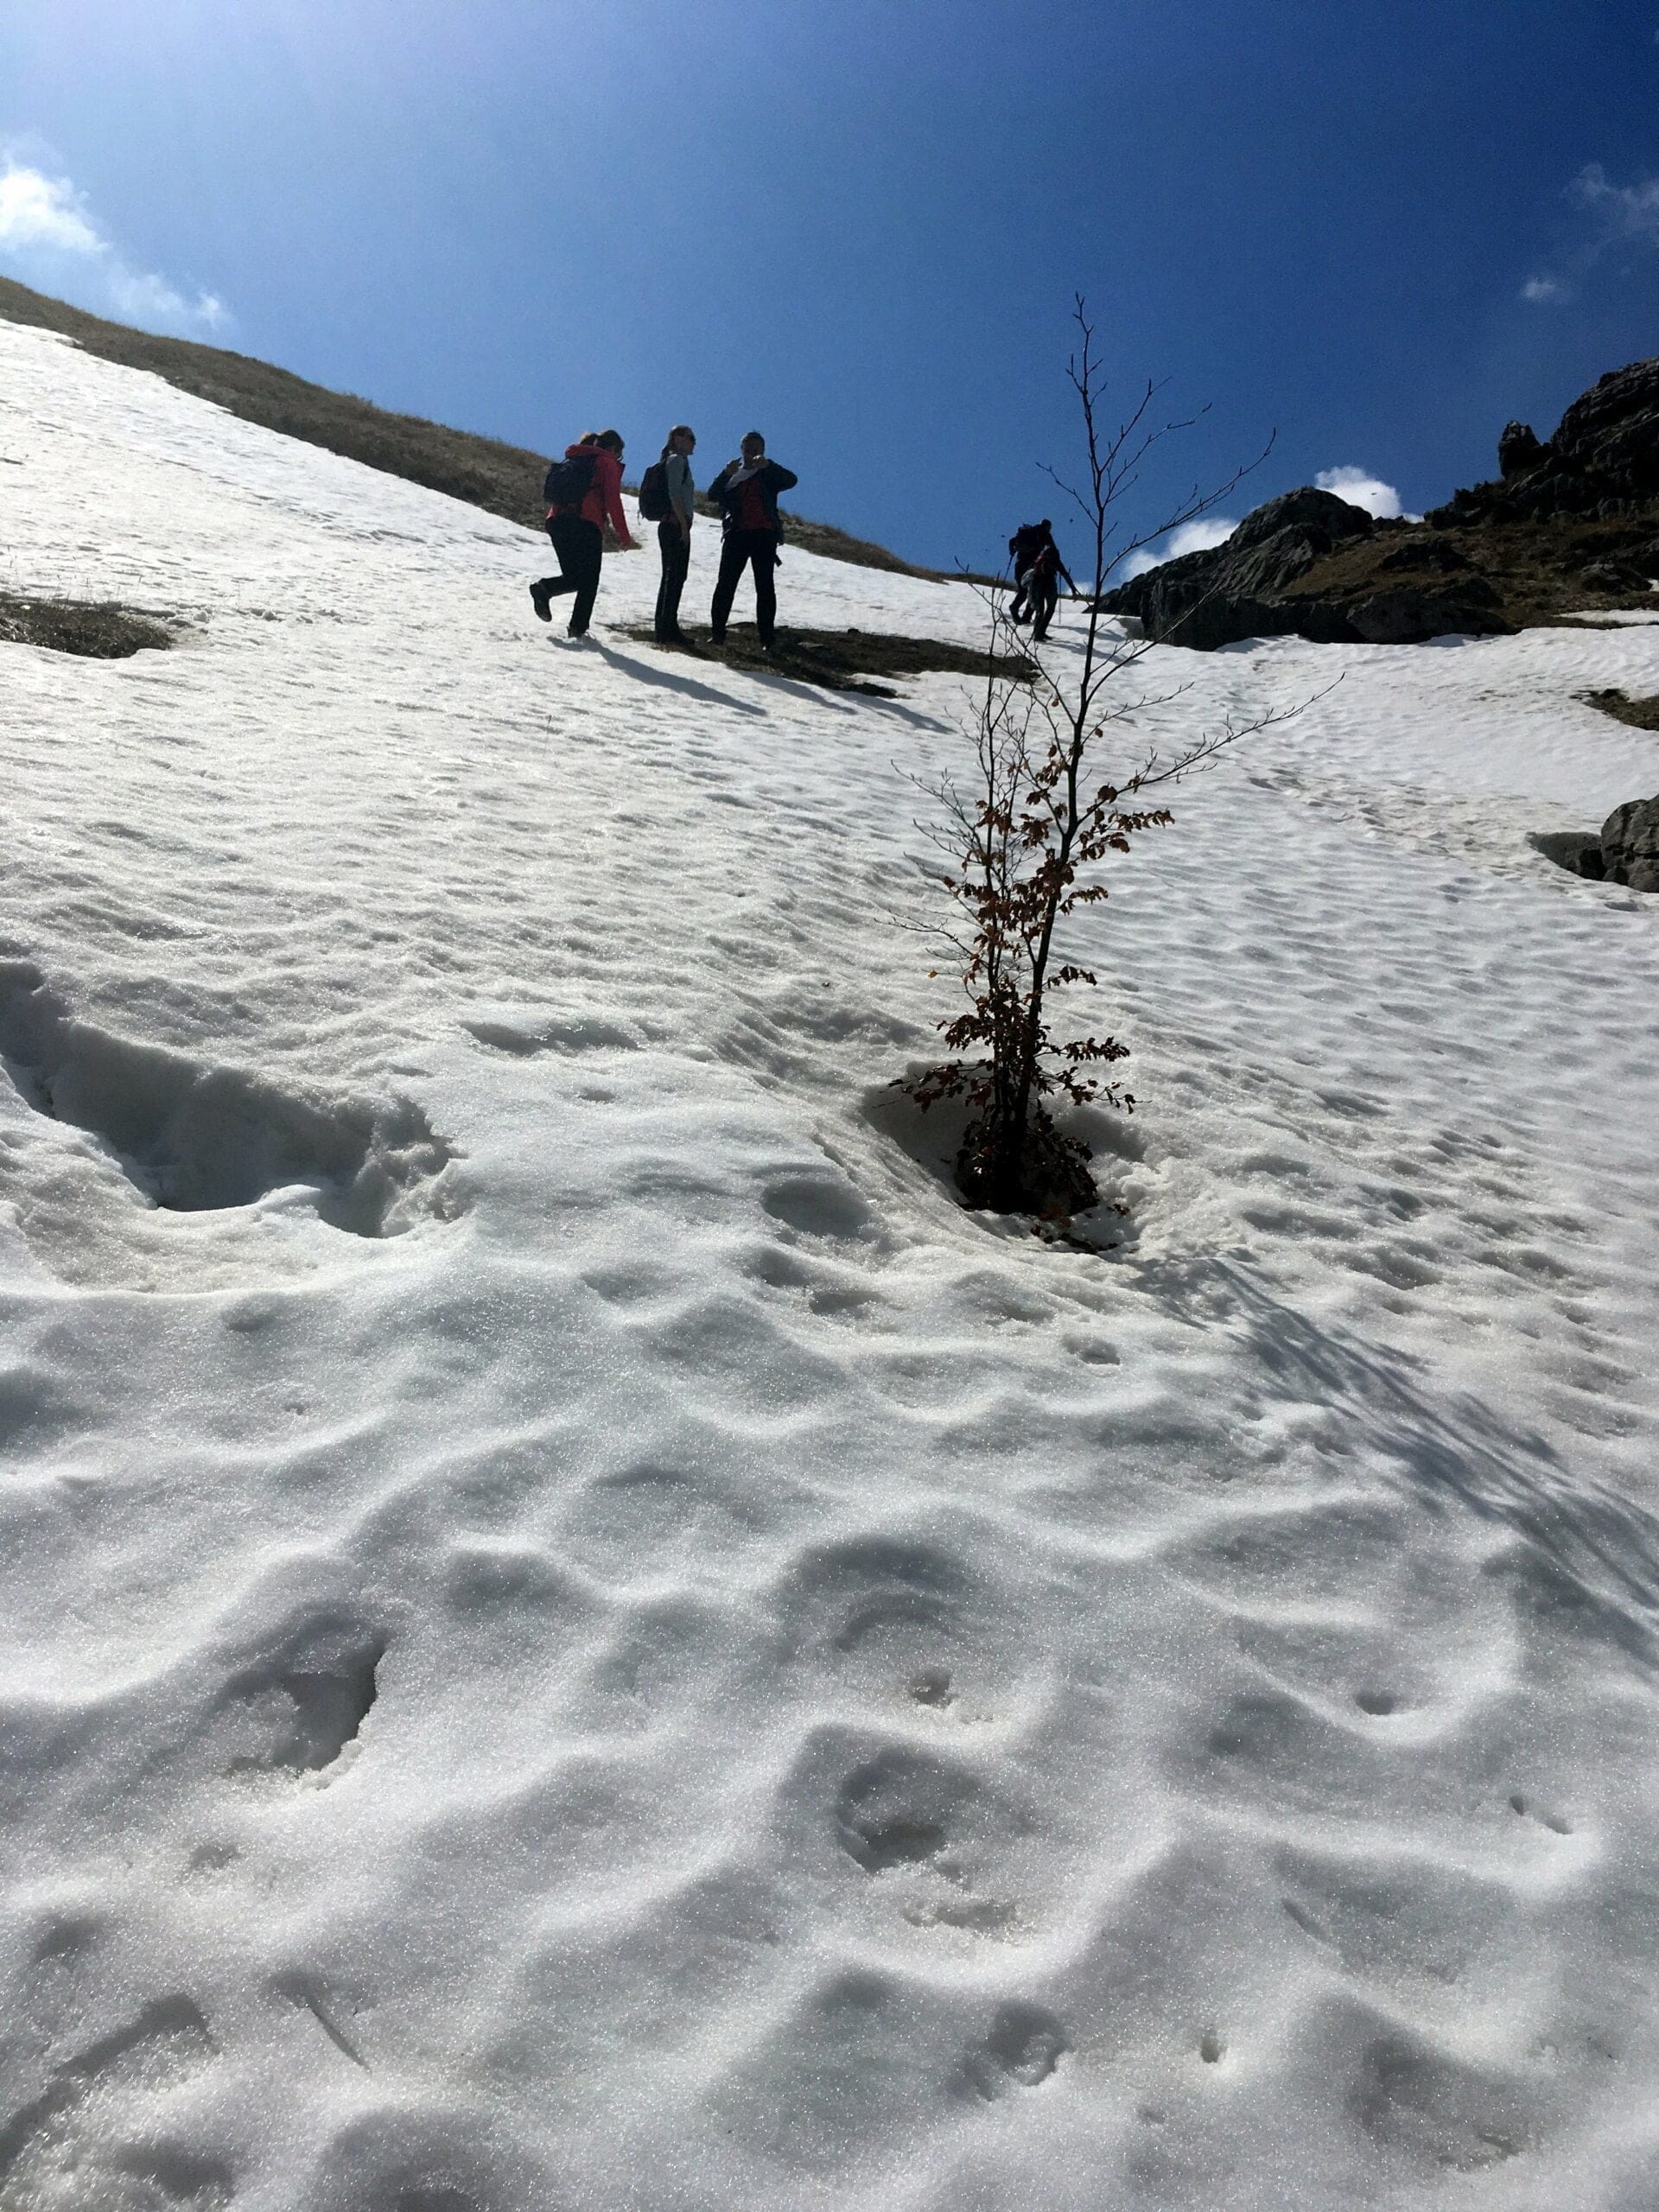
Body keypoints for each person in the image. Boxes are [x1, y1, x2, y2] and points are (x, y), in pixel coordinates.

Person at [531, 428, 634, 637]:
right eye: (619, 454)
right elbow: (613, 500)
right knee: (589, 580)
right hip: (586, 523)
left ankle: (545, 589)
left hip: (557, 521)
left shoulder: (575, 459)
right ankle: (577, 628)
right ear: (613, 449)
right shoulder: (606, 462)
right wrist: (624, 535)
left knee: (575, 577)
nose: (618, 459)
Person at [706, 432, 798, 651]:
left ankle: (767, 639)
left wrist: (769, 466)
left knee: (764, 587)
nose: (752, 453)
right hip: (737, 534)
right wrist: (725, 474)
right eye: (748, 449)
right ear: (742, 450)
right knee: (726, 584)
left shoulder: (767, 473)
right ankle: (718, 633)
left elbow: (791, 480)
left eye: (756, 449)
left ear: (763, 450)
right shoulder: (734, 475)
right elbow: (712, 494)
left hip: (764, 536)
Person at [654, 424, 697, 644]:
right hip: (674, 524)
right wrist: (683, 524)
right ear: (678, 439)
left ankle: (667, 625)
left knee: (673, 576)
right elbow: (674, 493)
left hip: (671, 524)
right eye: (690, 437)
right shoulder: (676, 461)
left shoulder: (674, 460)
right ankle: (666, 628)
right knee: (675, 576)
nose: (694, 442)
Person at [1007, 518, 1076, 639]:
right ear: (1048, 527)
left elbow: (1012, 541)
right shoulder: (1045, 535)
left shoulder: (1029, 532)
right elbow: (1052, 549)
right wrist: (1056, 562)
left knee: (1028, 593)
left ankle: (1026, 617)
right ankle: (1018, 612)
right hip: (1032, 567)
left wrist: (1012, 552)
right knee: (1029, 594)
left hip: (1021, 564)